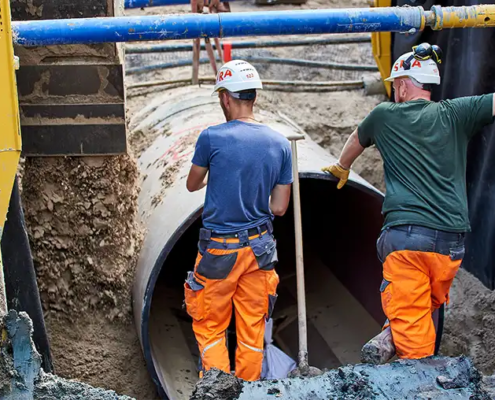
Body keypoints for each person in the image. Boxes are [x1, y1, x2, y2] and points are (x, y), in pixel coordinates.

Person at [323, 43, 495, 359]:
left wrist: (341, 167)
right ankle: (397, 336)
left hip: (406, 242)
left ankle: (418, 378)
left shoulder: (383, 116)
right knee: (427, 307)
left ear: (402, 84)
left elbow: (356, 140)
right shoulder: (457, 112)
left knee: (413, 337)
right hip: (450, 245)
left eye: (394, 85)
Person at [184, 60, 293, 380]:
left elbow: (192, 184)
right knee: (252, 330)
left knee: (211, 326)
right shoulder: (280, 144)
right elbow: (280, 207)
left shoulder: (211, 138)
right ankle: (250, 390)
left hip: (219, 252)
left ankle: (216, 391)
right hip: (260, 251)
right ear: (253, 98)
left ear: (225, 98)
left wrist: (217, 176)